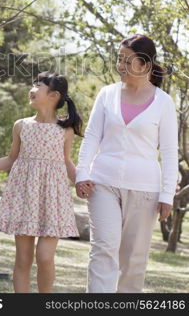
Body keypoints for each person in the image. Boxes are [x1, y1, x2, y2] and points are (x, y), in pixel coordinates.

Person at [76, 34, 178, 293]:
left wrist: (167, 195)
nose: (120, 65)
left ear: (145, 65)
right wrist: (81, 173)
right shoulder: (107, 94)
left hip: (145, 189)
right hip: (103, 183)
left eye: (127, 60)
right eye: (119, 58)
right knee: (103, 248)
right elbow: (91, 138)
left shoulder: (164, 102)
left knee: (133, 258)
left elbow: (168, 152)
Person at [0, 72, 82, 293]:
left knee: (44, 258)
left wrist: (83, 181)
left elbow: (67, 162)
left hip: (52, 200)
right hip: (24, 197)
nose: (32, 89)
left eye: (37, 85)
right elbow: (12, 158)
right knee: (23, 259)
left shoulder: (65, 130)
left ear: (53, 95)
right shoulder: (21, 125)